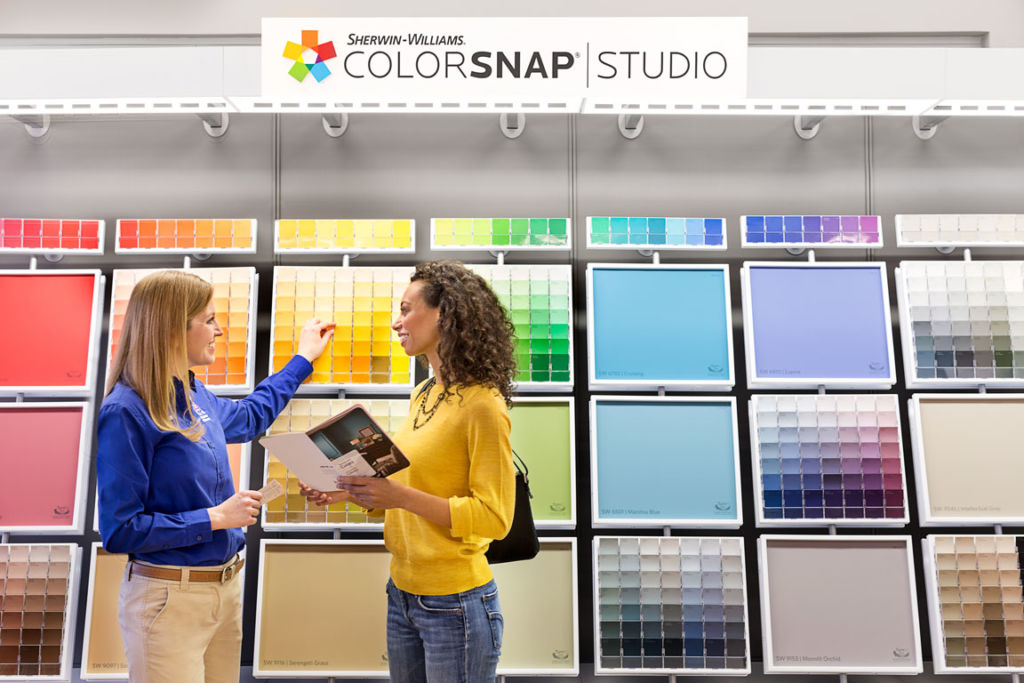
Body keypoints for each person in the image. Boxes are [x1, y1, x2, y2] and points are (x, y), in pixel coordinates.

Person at [96, 269, 333, 683]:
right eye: (208, 320)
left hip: (224, 589)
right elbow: (120, 530)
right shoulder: (126, 411)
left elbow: (249, 415)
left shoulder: (194, 393)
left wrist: (303, 359)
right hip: (168, 600)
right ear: (172, 327)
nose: (219, 331)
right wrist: (215, 518)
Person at [300, 260, 517, 683]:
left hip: (456, 603)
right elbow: (406, 483)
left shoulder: (483, 405)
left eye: (405, 309)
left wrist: (398, 497)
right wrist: (346, 491)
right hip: (402, 593)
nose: (397, 322)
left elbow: (495, 518)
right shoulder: (424, 393)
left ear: (444, 314)